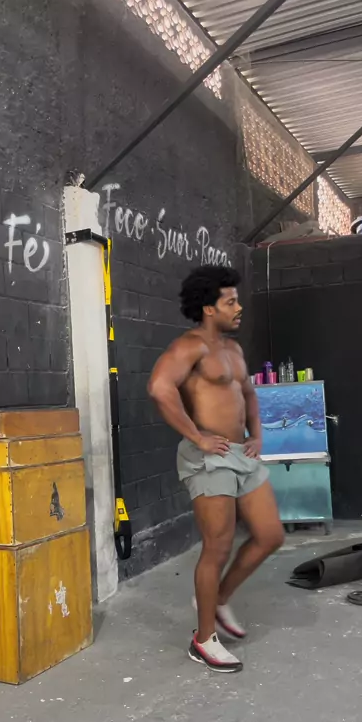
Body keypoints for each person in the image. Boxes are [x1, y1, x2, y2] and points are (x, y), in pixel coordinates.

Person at [148, 265, 284, 673]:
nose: (238, 308)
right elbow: (159, 388)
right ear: (209, 309)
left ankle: (219, 598)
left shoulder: (233, 350)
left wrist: (257, 434)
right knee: (218, 546)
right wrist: (197, 436)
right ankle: (203, 639)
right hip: (208, 457)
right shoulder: (189, 347)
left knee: (270, 535)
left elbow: (248, 393)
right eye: (230, 302)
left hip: (241, 453)